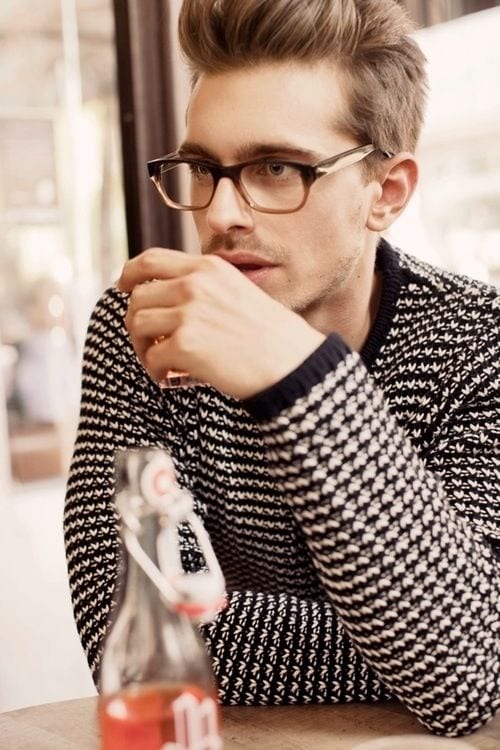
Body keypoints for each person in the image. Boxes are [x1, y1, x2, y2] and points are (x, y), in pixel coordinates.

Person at [64, 0, 499, 738]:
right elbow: (134, 639)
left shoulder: (479, 343)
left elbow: (467, 671)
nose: (221, 215)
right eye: (204, 169)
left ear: (386, 193)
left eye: (276, 169)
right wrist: (401, 636)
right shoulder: (148, 324)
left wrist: (294, 374)